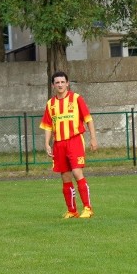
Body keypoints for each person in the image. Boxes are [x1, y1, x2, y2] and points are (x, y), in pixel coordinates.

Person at [41, 71, 98, 219]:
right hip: (59, 144)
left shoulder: (76, 98)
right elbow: (48, 126)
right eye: (57, 82)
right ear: (53, 85)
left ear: (67, 83)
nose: (60, 85)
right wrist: (47, 143)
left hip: (74, 140)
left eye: (62, 82)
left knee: (77, 172)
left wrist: (93, 138)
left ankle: (88, 208)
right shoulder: (50, 104)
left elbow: (88, 119)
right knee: (65, 176)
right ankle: (72, 210)